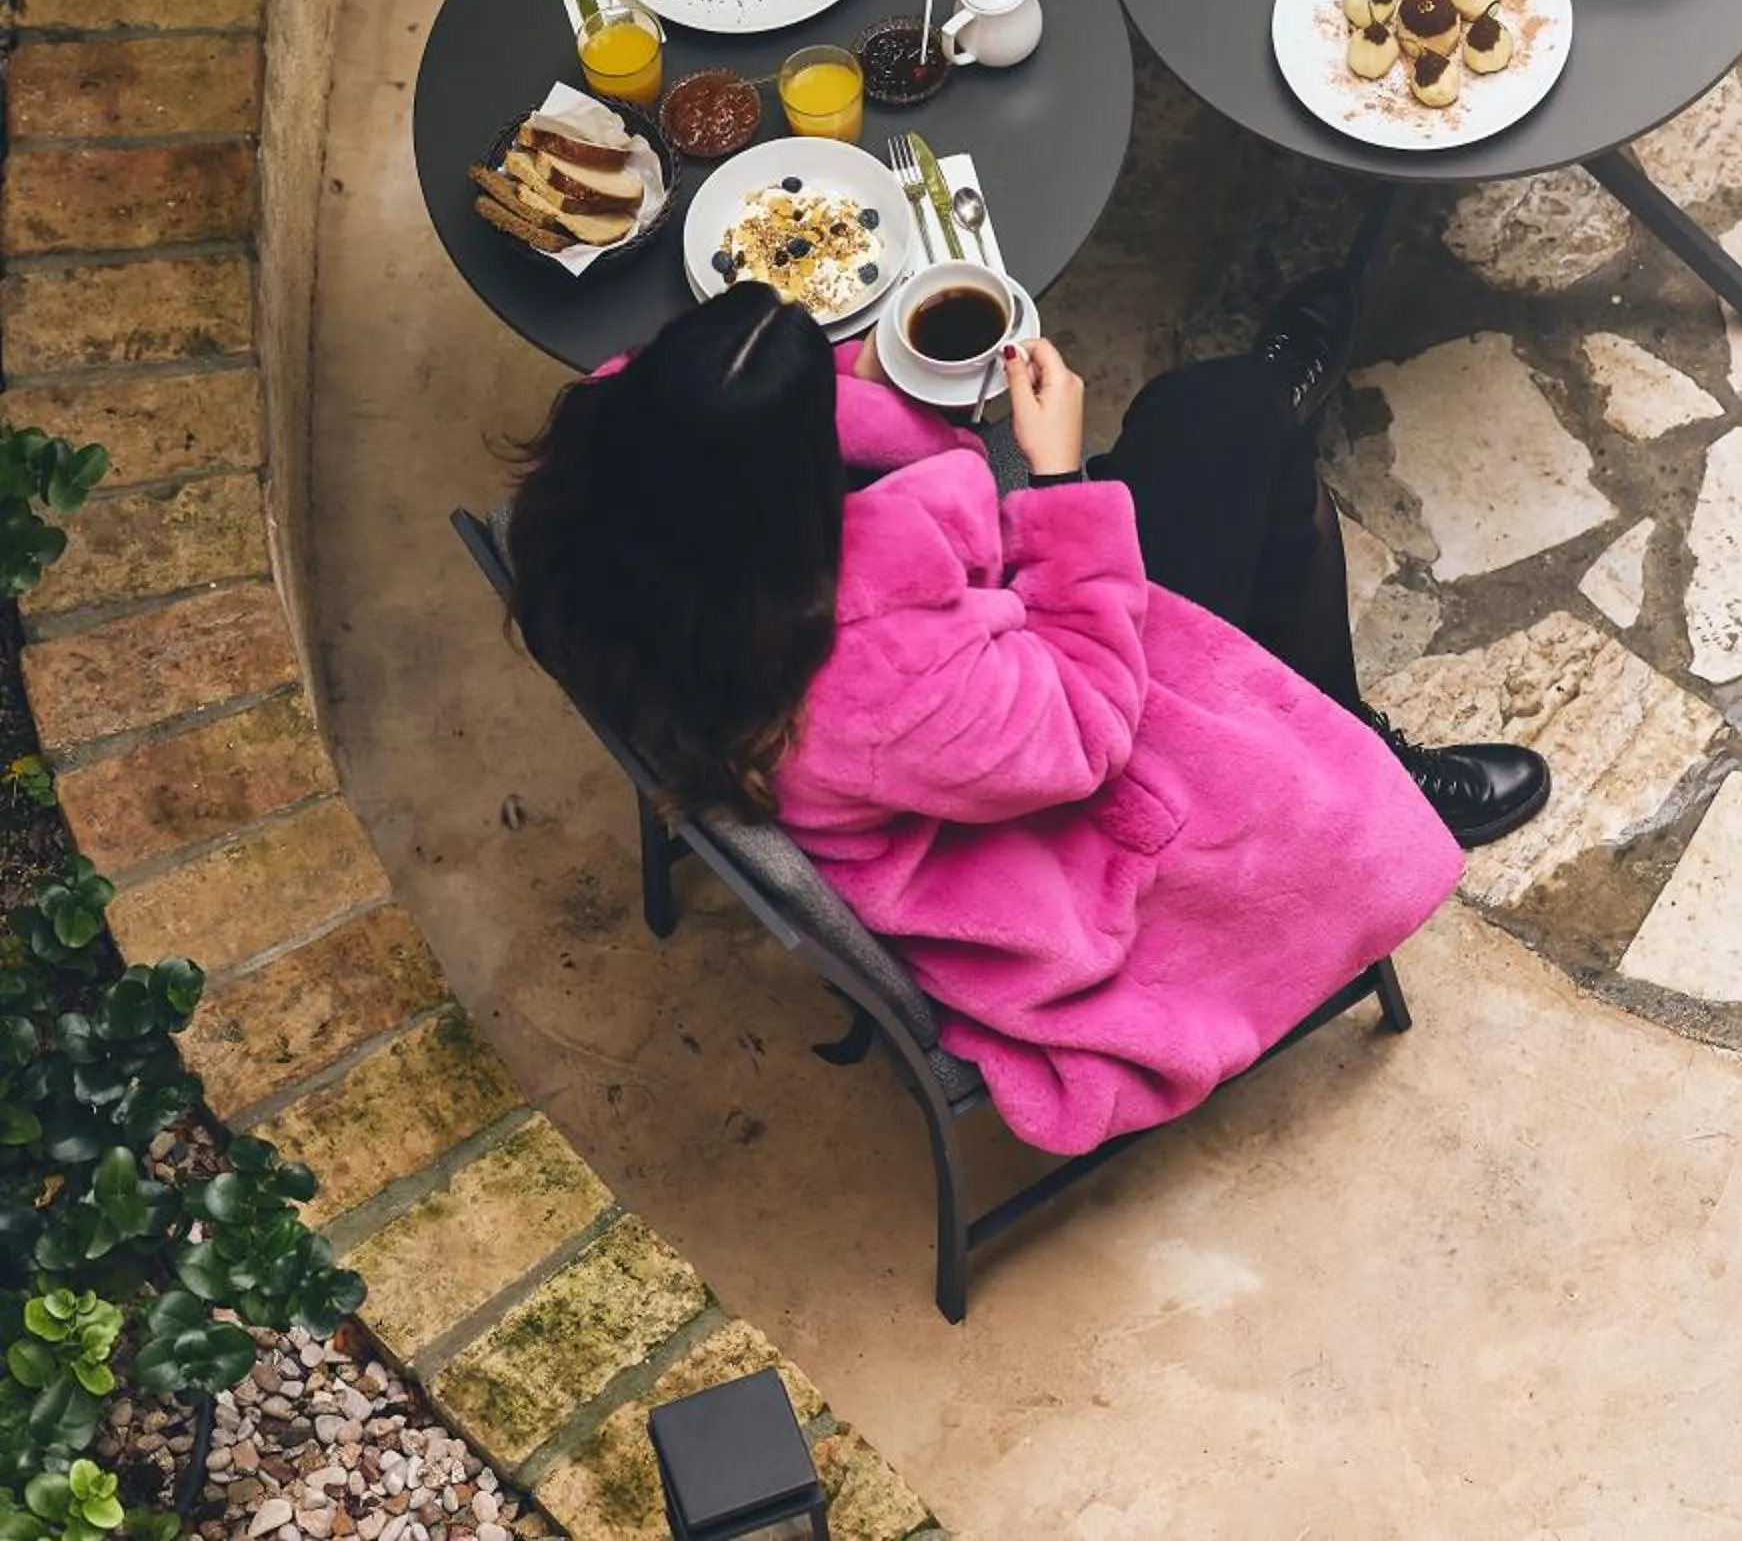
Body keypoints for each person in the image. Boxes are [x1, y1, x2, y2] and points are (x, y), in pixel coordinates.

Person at [506, 276, 1550, 1158]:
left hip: (949, 728)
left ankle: (1275, 424)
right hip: (1061, 805)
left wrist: (874, 383)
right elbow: (1087, 732)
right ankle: (1363, 741)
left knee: (1220, 424)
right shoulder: (864, 683)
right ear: (788, 488)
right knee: (1233, 435)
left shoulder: (608, 479)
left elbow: (712, 406)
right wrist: (1053, 477)